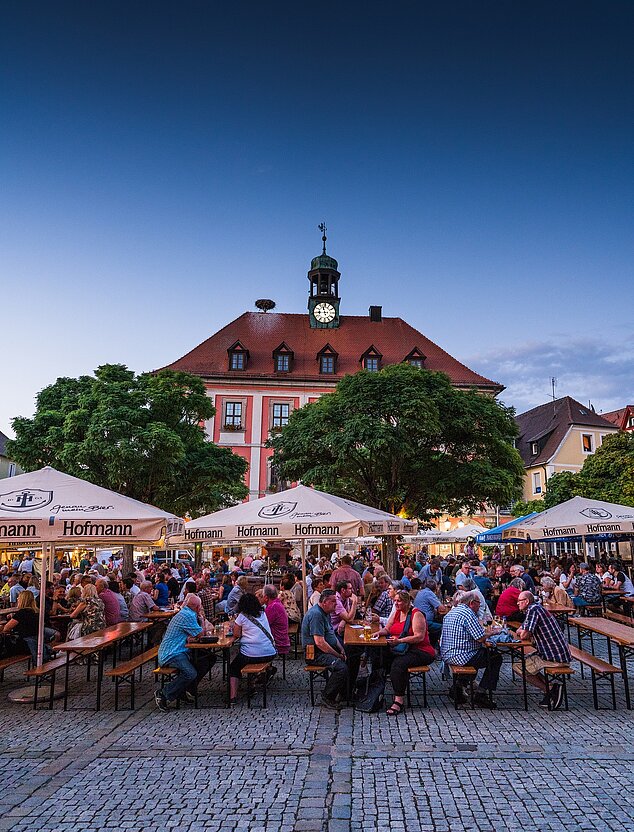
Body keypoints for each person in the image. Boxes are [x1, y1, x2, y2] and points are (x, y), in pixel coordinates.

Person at [374, 590, 435, 715]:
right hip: (400, 647)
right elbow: (388, 628)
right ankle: (374, 690)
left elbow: (419, 637)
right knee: (378, 656)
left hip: (420, 650)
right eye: (395, 600)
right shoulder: (397, 612)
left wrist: (400, 640)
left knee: (398, 664)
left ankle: (398, 701)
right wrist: (379, 633)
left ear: (407, 602)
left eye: (399, 601)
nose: (396, 603)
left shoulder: (416, 614)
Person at [440, 590, 502, 708]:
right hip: (461, 656)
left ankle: (458, 687)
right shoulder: (468, 613)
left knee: (479, 653)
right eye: (479, 603)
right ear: (472, 603)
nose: (480, 606)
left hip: (448, 654)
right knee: (495, 658)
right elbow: (480, 638)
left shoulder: (453, 611)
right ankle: (481, 694)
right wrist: (492, 633)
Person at [155, 594, 215, 711]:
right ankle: (163, 694)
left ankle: (185, 690)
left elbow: (192, 635)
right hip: (172, 653)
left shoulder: (186, 613)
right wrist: (202, 619)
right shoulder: (187, 615)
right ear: (197, 607)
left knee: (209, 658)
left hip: (181, 650)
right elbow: (200, 634)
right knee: (190, 673)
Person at [516, 591, 571, 710]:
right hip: (554, 652)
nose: (517, 603)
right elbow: (522, 628)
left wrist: (522, 631)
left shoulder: (533, 610)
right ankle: (550, 689)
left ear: (526, 601)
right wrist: (522, 630)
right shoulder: (535, 608)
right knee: (527, 664)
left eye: (519, 601)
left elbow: (524, 635)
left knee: (519, 667)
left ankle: (550, 690)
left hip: (554, 656)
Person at [301, 589, 349, 710]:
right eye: (333, 601)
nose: (336, 604)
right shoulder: (316, 615)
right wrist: (338, 655)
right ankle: (328, 697)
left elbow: (331, 634)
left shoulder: (325, 613)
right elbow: (320, 643)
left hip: (324, 650)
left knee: (352, 655)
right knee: (341, 667)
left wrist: (341, 649)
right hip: (314, 654)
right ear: (324, 602)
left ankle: (346, 692)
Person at [228, 593, 277, 704]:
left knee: (234, 668)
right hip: (270, 652)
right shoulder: (262, 613)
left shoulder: (241, 617)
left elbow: (236, 634)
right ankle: (252, 685)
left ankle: (232, 697)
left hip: (251, 654)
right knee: (247, 657)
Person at [0, 590, 54, 662]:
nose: (17, 599)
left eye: (18, 598)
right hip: (38, 641)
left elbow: (7, 628)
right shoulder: (37, 612)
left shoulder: (22, 613)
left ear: (22, 600)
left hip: (25, 644)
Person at [413, 579, 445, 645]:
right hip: (426, 622)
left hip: (417, 620)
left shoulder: (421, 592)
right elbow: (442, 609)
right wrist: (438, 593)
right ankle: (438, 646)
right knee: (444, 627)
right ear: (435, 588)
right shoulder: (429, 593)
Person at [262, 584, 290, 656]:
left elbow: (263, 626)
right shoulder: (277, 603)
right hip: (283, 640)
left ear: (266, 597)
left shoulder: (272, 607)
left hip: (278, 643)